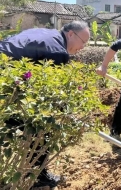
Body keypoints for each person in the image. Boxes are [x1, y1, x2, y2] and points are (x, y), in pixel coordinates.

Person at [1, 21, 90, 188]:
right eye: (83, 42)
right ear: (71, 34)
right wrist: (66, 113)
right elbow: (53, 96)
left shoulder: (45, 33)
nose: (83, 47)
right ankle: (37, 176)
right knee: (44, 125)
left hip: (6, 79)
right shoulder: (57, 51)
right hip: (4, 82)